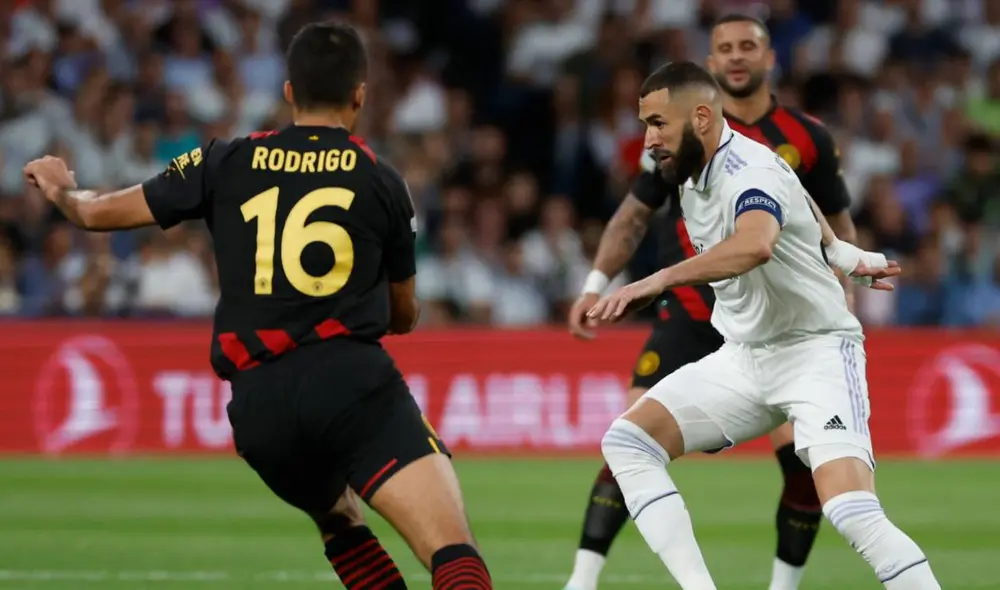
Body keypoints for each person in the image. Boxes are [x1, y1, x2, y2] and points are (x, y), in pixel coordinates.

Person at [23, 21, 492, 590]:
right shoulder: (381, 179)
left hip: (260, 408)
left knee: (341, 520)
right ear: (360, 95)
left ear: (289, 92)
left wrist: (61, 189)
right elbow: (403, 313)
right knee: (451, 548)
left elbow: (95, 214)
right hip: (349, 384)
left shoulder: (223, 160)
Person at [586, 60, 940, 590]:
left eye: (658, 123)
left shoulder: (745, 171)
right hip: (746, 358)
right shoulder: (694, 170)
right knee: (629, 442)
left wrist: (654, 281)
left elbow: (755, 244)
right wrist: (839, 250)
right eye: (645, 124)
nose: (649, 138)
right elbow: (794, 189)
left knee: (851, 512)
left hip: (816, 352)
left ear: (701, 116)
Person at [563, 14, 858, 590]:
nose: (737, 56)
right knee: (629, 439)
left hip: (777, 329)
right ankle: (581, 580)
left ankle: (782, 586)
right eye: (724, 48)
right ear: (712, 64)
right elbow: (633, 214)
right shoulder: (677, 133)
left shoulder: (807, 137)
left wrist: (841, 293)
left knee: (802, 469)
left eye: (749, 46)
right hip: (691, 317)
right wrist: (595, 283)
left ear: (770, 59)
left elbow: (835, 226)